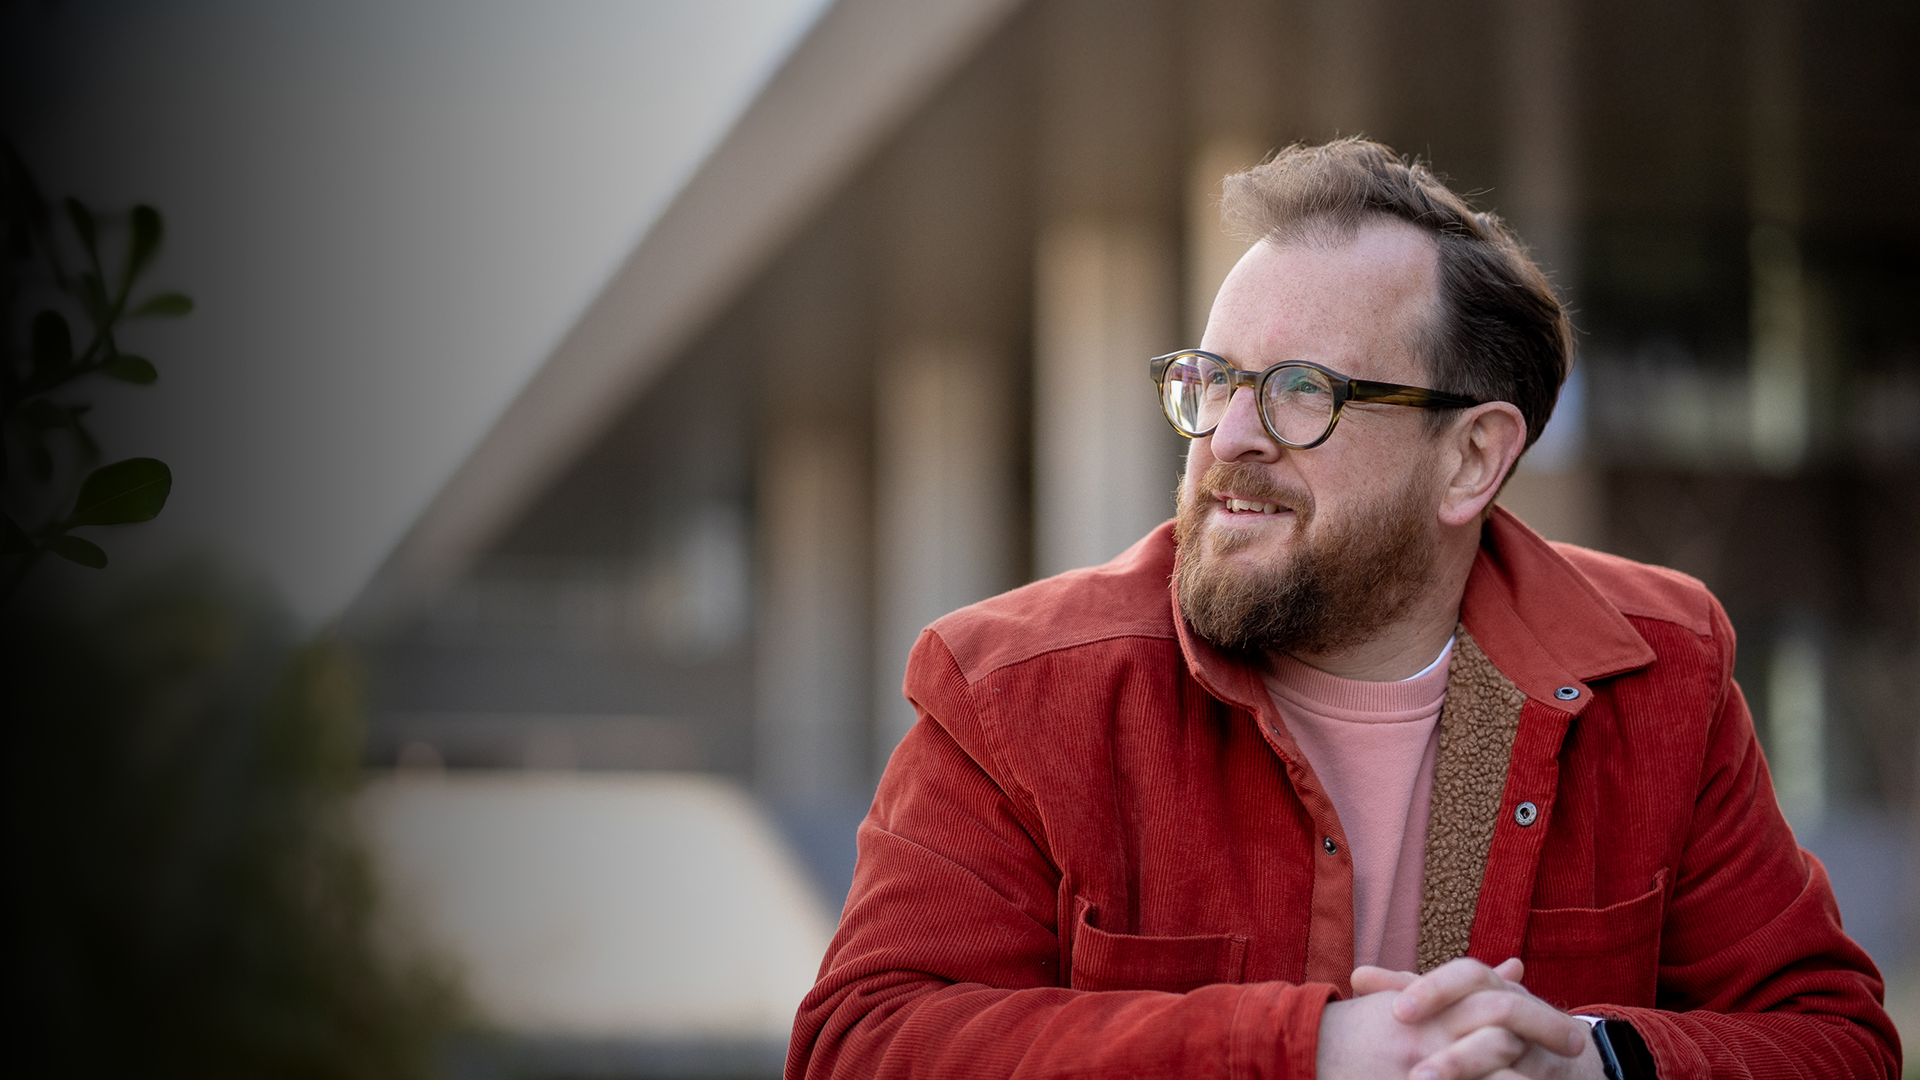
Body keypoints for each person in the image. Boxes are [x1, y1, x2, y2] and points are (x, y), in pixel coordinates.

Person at [786, 139, 1900, 1080]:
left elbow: (1835, 1040)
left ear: (1471, 459)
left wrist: (1593, 1061)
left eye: (1301, 392)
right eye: (1213, 381)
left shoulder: (1659, 670)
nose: (1228, 438)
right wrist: (1307, 1051)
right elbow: (862, 1045)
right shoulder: (1012, 693)